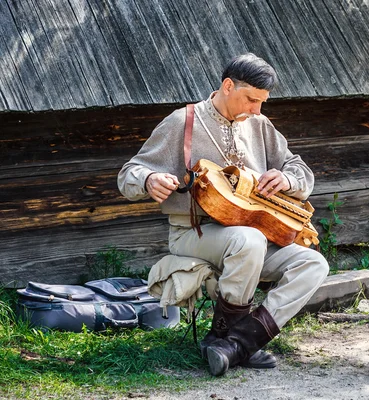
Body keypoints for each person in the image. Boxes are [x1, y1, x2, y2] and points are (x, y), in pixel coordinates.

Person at [117, 53, 329, 377]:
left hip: (252, 236)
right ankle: (230, 338)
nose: (257, 109)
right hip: (193, 234)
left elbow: (299, 168)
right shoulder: (183, 122)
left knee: (313, 263)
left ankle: (237, 342)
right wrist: (148, 179)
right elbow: (129, 172)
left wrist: (288, 179)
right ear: (228, 86)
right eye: (251, 99)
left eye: (262, 102)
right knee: (250, 240)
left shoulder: (259, 124)